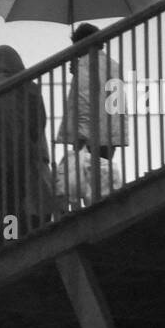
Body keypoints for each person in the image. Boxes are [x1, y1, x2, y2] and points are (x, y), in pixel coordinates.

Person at [0, 45, 54, 242]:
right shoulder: (29, 86)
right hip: (25, 153)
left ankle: (9, 240)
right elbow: (40, 120)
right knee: (21, 202)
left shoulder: (0, 85)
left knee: (9, 204)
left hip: (4, 155)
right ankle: (15, 237)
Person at [56, 23, 127, 205]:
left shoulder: (85, 66)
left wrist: (80, 137)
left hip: (88, 136)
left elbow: (84, 102)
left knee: (83, 179)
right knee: (102, 182)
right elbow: (118, 106)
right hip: (110, 135)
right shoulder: (114, 66)